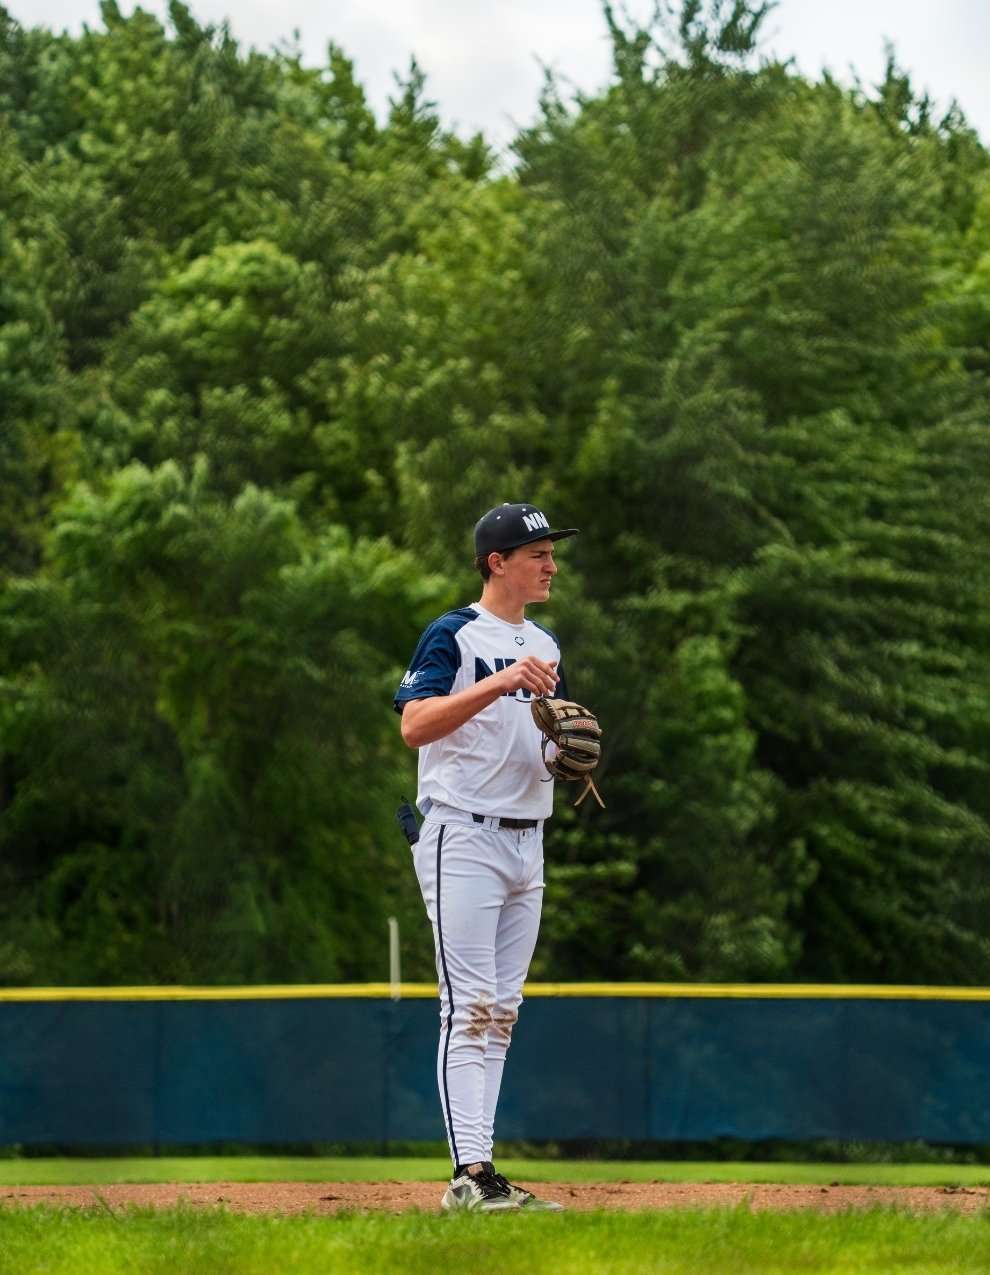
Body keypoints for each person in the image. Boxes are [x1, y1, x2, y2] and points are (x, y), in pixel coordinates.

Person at [393, 502, 577, 1212]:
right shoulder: (454, 633)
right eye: (538, 553)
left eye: (551, 553)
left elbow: (545, 742)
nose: (551, 564)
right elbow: (415, 725)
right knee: (467, 1006)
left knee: (501, 1011)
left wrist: (563, 754)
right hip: (462, 835)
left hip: (529, 837)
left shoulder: (547, 645)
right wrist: (499, 681)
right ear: (497, 562)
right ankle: (468, 1175)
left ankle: (484, 1173)